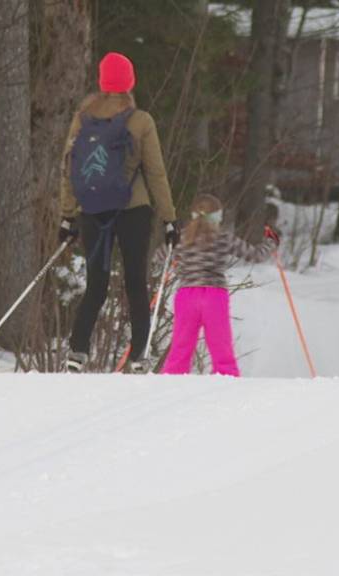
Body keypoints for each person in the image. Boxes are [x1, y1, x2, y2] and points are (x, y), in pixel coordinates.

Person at [58, 52, 177, 373]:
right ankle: (138, 355)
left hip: (91, 210)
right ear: (129, 82)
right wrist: (169, 218)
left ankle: (77, 351)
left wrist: (67, 215)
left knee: (96, 283)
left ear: (102, 81)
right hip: (133, 211)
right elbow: (156, 173)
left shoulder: (82, 118)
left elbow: (69, 168)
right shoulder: (140, 120)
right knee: (136, 282)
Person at [160, 194, 279, 377]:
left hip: (187, 295)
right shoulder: (223, 237)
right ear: (218, 216)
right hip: (214, 295)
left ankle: (172, 379)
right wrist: (271, 242)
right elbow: (255, 255)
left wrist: (170, 246)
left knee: (181, 346)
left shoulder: (181, 237)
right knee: (220, 344)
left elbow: (160, 258)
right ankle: (226, 379)